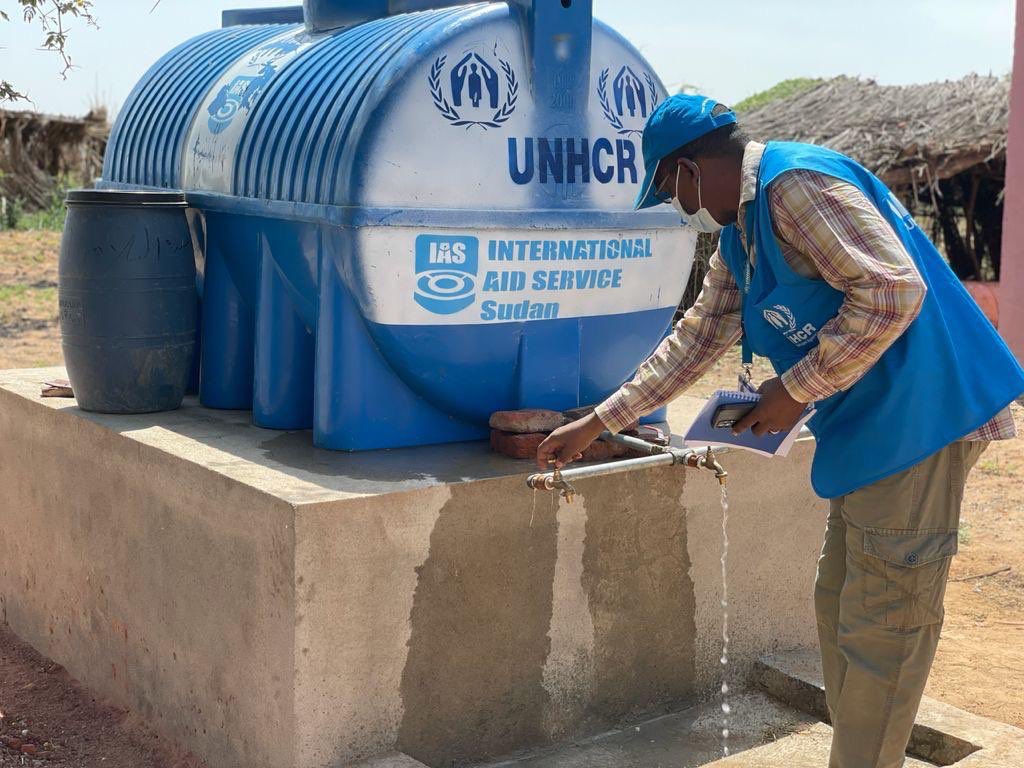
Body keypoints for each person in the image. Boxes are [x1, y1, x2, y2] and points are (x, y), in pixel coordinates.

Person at [536, 94, 1024, 768]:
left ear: (688, 170)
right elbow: (698, 338)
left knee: (883, 628)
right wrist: (601, 420)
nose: (681, 209)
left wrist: (792, 391)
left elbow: (892, 291)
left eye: (671, 192)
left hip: (923, 416)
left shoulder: (796, 188)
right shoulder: (743, 232)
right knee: (839, 609)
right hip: (872, 426)